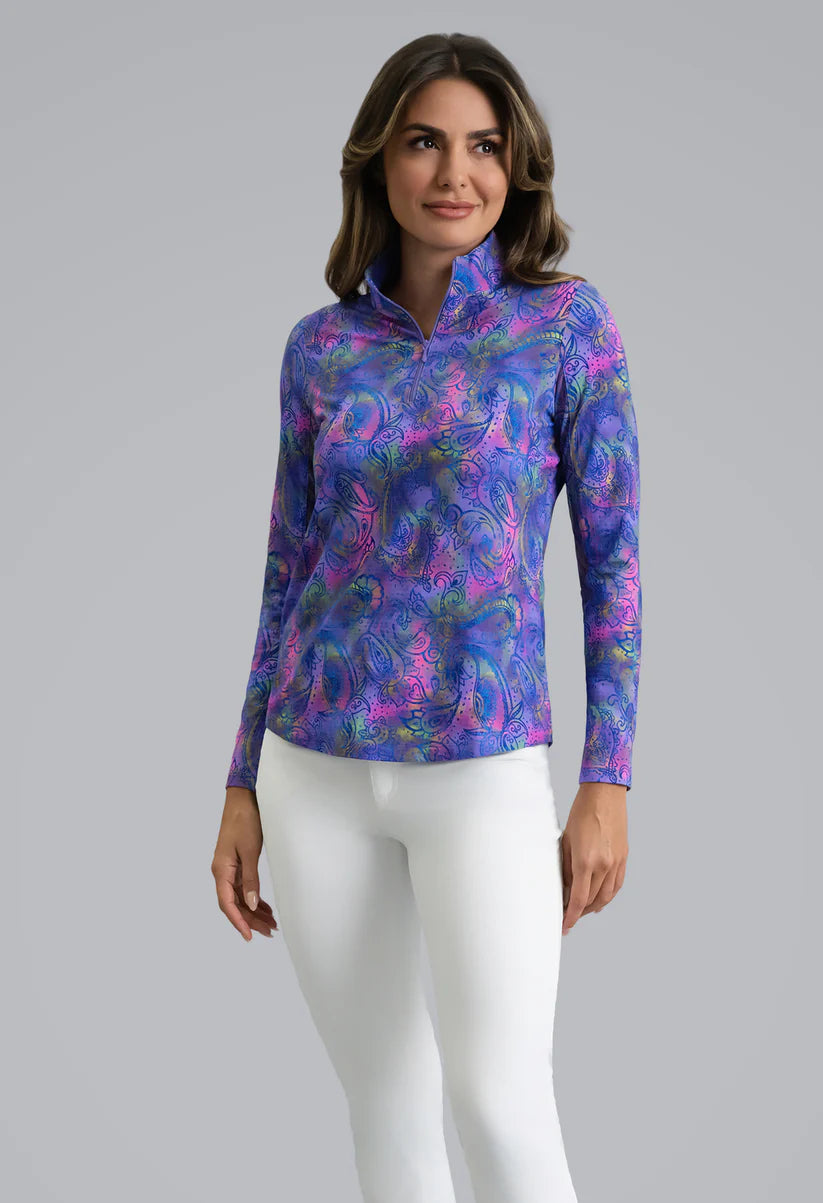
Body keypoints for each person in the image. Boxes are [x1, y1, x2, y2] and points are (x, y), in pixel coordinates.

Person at [211, 31, 642, 1203]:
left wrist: (606, 779)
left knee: (500, 1107)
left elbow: (614, 566)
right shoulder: (319, 350)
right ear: (379, 162)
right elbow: (286, 568)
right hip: (312, 770)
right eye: (424, 142)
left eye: (484, 146)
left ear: (517, 166)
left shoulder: (564, 327)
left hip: (482, 768)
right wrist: (242, 779)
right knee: (387, 1115)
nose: (456, 173)